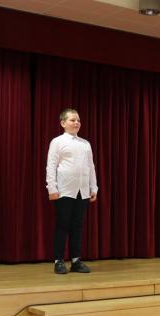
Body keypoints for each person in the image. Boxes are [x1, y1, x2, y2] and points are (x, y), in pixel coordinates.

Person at [46, 108, 98, 274]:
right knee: (62, 225)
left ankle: (76, 261)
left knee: (77, 226)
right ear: (63, 123)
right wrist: (52, 188)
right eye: (72, 120)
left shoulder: (85, 144)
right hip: (64, 190)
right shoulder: (57, 142)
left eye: (78, 120)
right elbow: (51, 166)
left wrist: (93, 187)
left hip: (82, 191)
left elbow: (90, 166)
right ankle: (59, 261)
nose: (77, 123)